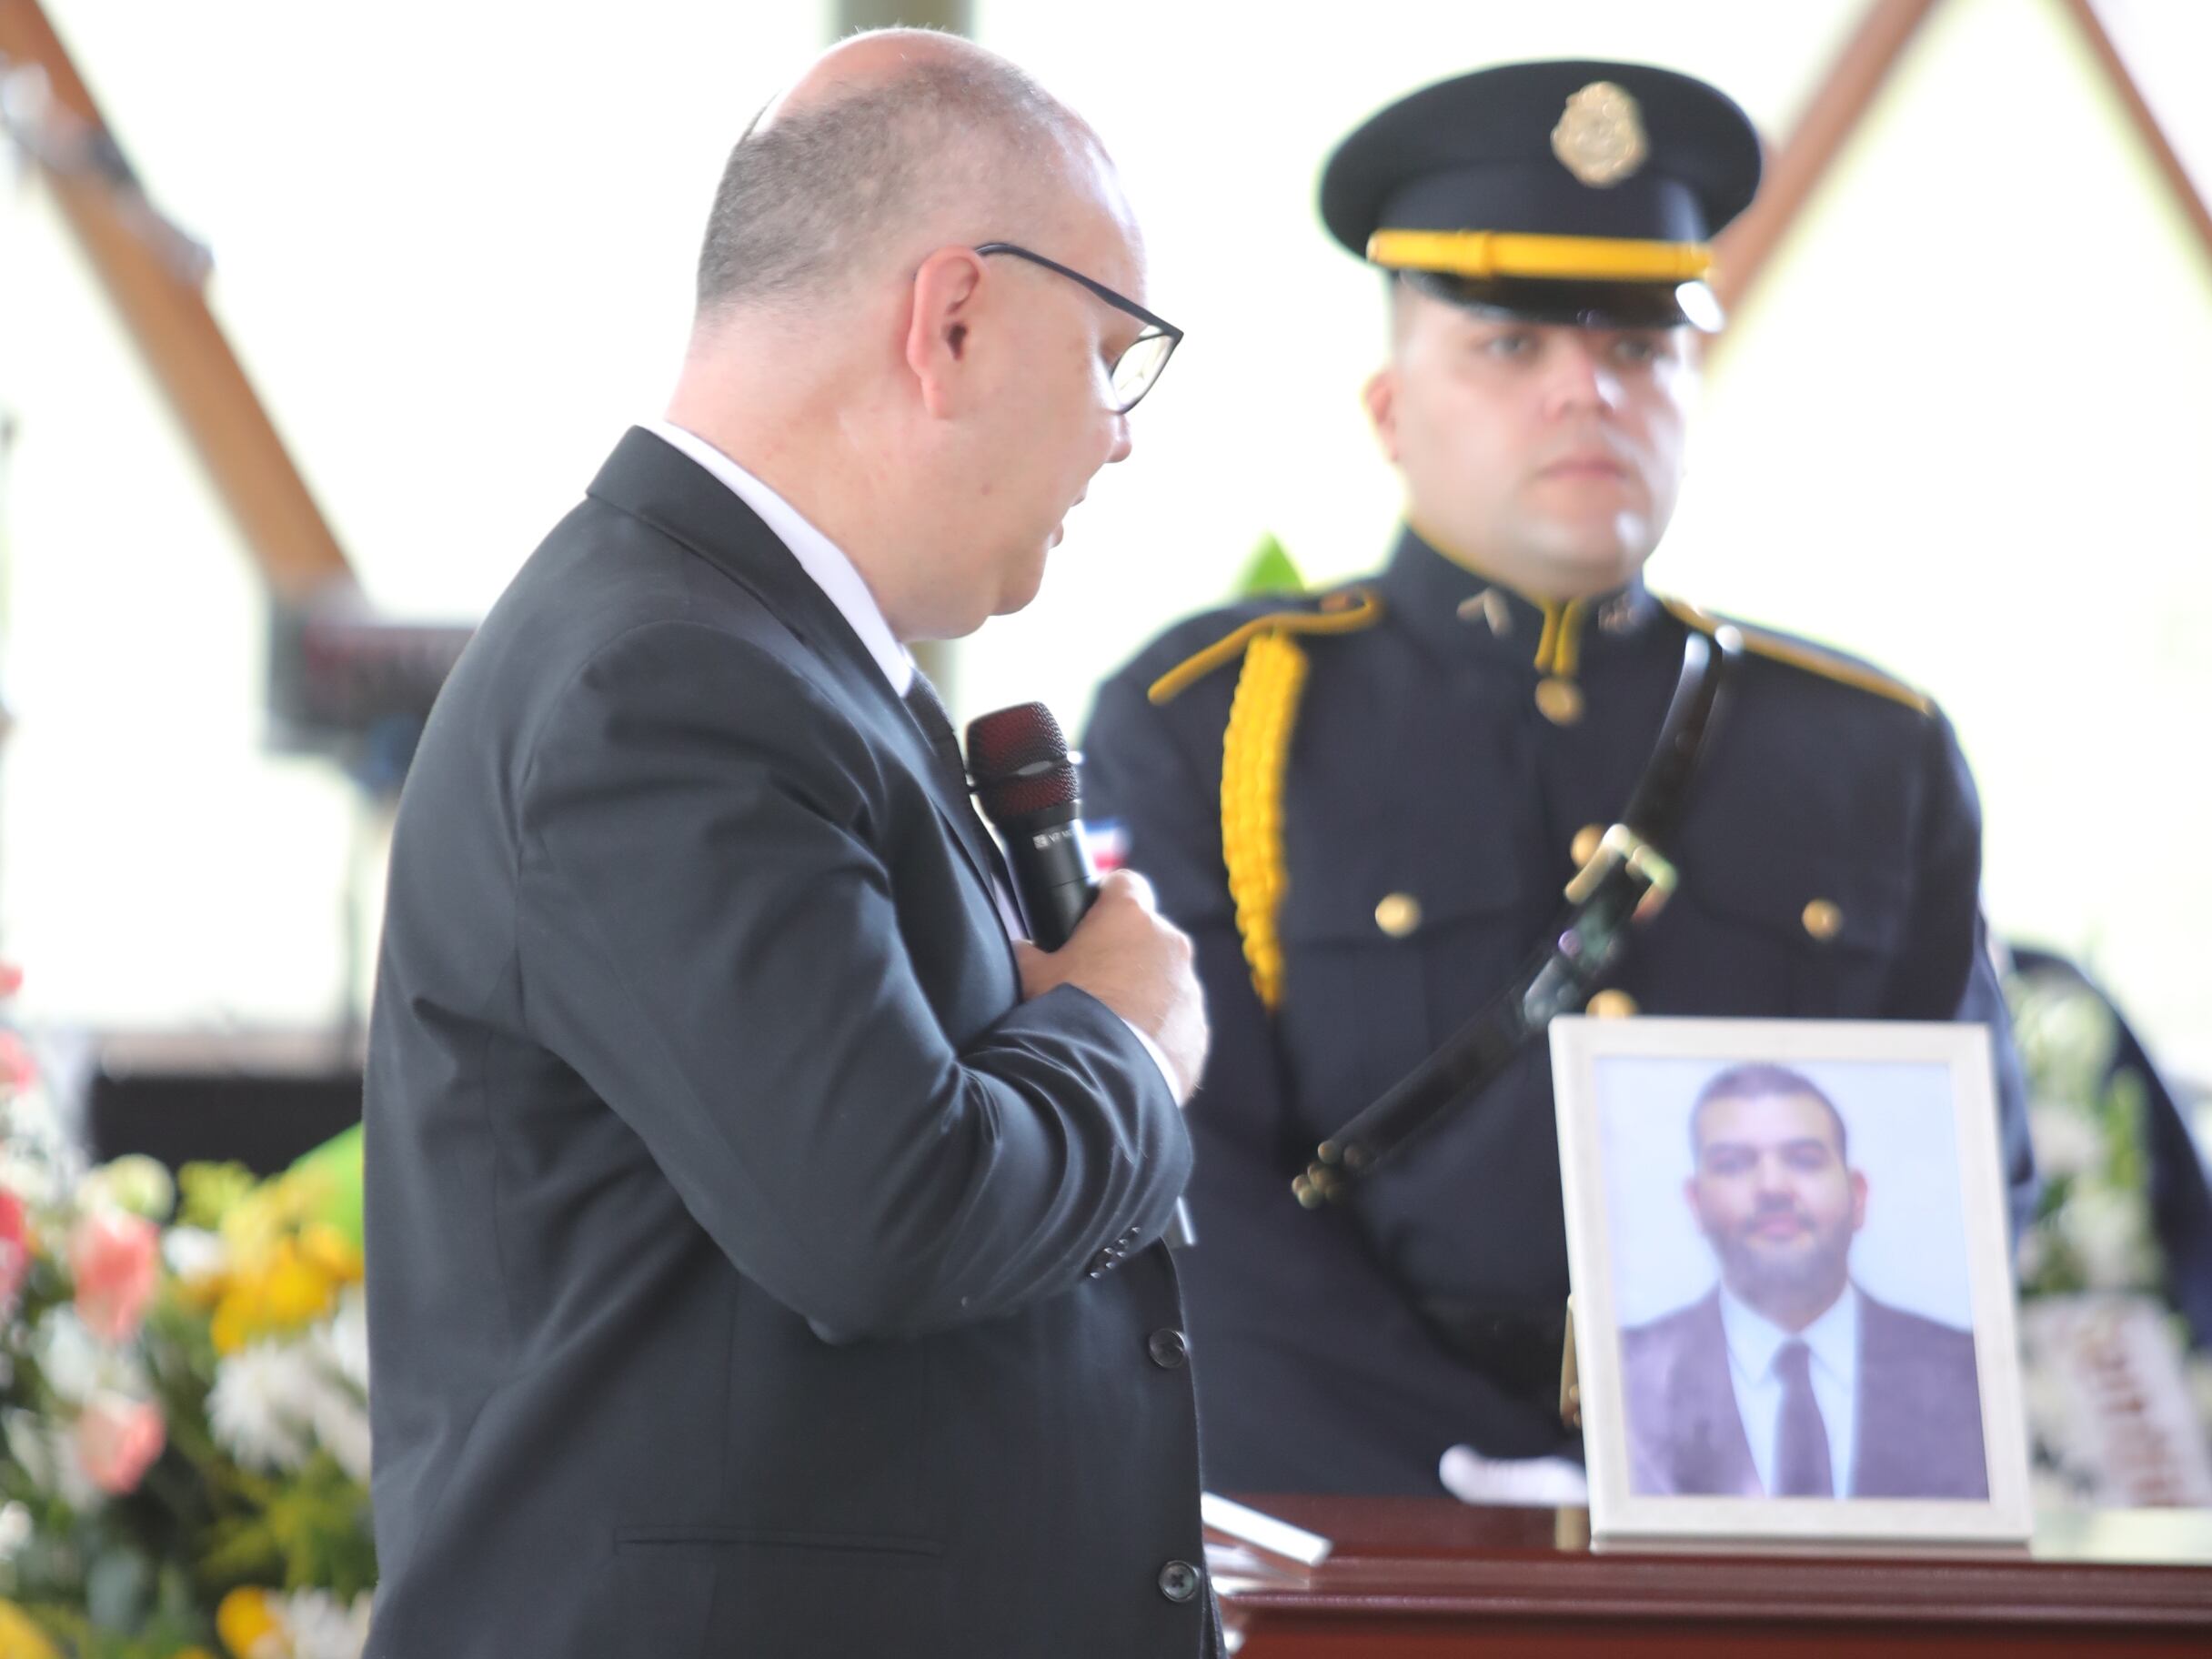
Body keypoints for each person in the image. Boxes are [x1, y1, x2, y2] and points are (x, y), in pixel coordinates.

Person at [364, 32, 1218, 1658]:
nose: (1119, 435)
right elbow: (890, 1213)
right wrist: (1124, 1029)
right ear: (951, 317)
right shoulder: (667, 679)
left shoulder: (763, 654)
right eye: (1110, 353)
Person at [1081, 59, 2036, 1496]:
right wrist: (1459, 1475)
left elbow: (1962, 1172)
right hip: (1363, 1531)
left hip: (1769, 1516)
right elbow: (1174, 1183)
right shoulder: (1214, 721)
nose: (1589, 390)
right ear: (1392, 408)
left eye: (1643, 348)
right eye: (1513, 346)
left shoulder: (1870, 751)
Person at [1621, 1064, 1987, 1500]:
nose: (1773, 1186)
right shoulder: (1626, 1373)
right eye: (1734, 1164)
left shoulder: (1968, 1372)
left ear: (1858, 1196)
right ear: (1695, 1203)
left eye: (1804, 1159)